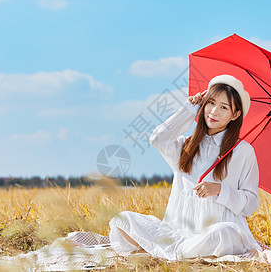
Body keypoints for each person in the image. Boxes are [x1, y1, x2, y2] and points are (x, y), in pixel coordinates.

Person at [109, 74, 262, 260]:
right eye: (211, 103)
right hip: (177, 233)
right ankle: (176, 253)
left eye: (224, 107)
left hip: (215, 234)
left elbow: (251, 204)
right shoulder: (186, 146)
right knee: (122, 219)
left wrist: (220, 190)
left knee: (225, 231)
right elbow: (157, 139)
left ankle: (164, 254)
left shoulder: (243, 151)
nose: (214, 111)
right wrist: (189, 109)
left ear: (235, 115)